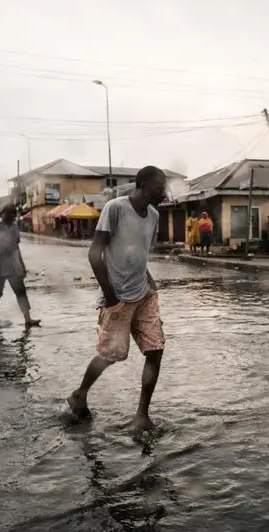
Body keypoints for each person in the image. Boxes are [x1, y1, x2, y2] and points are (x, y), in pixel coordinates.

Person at [67, 166, 167, 432]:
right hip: (118, 295)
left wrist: (148, 279)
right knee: (111, 354)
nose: (164, 193)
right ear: (143, 185)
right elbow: (94, 254)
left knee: (156, 350)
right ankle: (80, 393)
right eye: (160, 188)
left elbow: (137, 251)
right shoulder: (115, 208)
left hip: (145, 292)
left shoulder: (154, 215)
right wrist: (110, 296)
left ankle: (142, 415)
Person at [0, 204, 41, 329]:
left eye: (13, 213)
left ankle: (28, 318)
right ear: (2, 213)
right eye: (8, 212)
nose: (11, 215)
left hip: (13, 265)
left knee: (21, 292)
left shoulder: (15, 227)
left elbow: (16, 247)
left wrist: (22, 265)